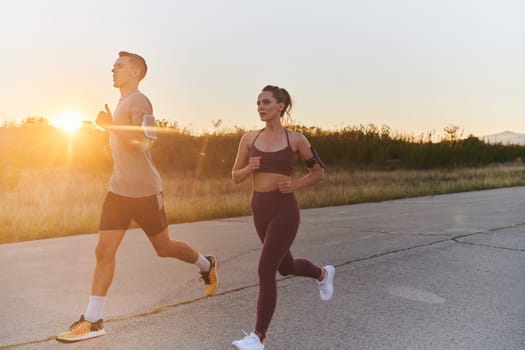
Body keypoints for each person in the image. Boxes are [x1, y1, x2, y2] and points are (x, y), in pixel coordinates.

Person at [56, 51, 219, 343]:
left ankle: (207, 265)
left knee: (164, 247)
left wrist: (110, 127)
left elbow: (147, 142)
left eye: (119, 66)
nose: (113, 69)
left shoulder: (140, 101)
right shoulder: (120, 103)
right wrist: (112, 144)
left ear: (136, 73)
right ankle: (93, 320)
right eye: (114, 65)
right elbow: (127, 144)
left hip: (145, 192)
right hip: (118, 191)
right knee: (103, 252)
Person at [231, 85, 335, 350]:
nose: (260, 107)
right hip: (259, 207)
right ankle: (322, 274)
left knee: (265, 268)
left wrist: (295, 186)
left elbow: (318, 172)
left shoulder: (296, 139)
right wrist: (248, 167)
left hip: (284, 209)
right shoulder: (248, 139)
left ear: (280, 106)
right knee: (284, 267)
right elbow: (234, 177)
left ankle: (258, 337)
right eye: (258, 103)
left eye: (266, 102)